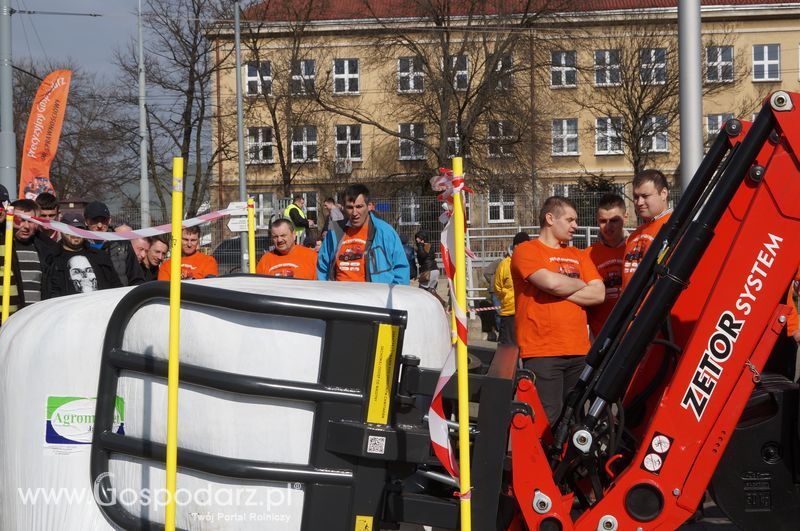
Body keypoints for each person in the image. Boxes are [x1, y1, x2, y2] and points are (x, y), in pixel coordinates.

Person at [511, 196, 604, 424]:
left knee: (575, 418)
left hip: (579, 350)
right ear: (550, 218)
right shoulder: (526, 250)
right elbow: (551, 283)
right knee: (547, 416)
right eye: (570, 219)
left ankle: (569, 461)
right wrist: (578, 285)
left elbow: (599, 294)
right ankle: (537, 459)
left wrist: (560, 287)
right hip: (542, 350)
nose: (576, 226)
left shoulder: (578, 255)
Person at [317, 184, 409, 285]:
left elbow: (401, 271)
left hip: (372, 297)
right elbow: (322, 267)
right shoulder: (334, 232)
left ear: (369, 206)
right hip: (339, 297)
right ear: (343, 207)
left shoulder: (385, 232)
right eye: (350, 207)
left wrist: (393, 297)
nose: (354, 212)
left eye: (359, 207)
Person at [43, 212, 121, 298]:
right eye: (70, 229)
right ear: (61, 231)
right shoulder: (52, 258)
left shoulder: (100, 256)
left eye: (79, 229)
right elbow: (48, 293)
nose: (75, 233)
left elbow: (116, 287)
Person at [585, 193, 628, 338]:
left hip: (631, 332)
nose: (608, 226)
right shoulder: (588, 254)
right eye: (603, 221)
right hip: (600, 335)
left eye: (614, 220)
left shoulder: (637, 247)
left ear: (625, 218)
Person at [622, 169, 672, 289]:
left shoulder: (675, 227)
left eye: (645, 196)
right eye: (635, 197)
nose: (639, 202)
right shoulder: (634, 235)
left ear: (663, 194)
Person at [9, 199, 59, 307]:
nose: (26, 226)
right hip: (9, 318)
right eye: (20, 220)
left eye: (31, 221)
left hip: (35, 317)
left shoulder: (48, 250)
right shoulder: (5, 247)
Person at [83, 201, 144, 287]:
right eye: (95, 221)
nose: (100, 225)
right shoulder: (80, 246)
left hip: (119, 298)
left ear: (109, 220)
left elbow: (137, 279)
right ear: (86, 221)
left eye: (103, 220)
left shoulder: (123, 245)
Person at [493, 231, 530, 345]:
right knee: (509, 349)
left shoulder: (530, 263)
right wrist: (507, 297)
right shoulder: (505, 264)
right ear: (516, 246)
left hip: (527, 313)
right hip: (510, 313)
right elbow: (497, 287)